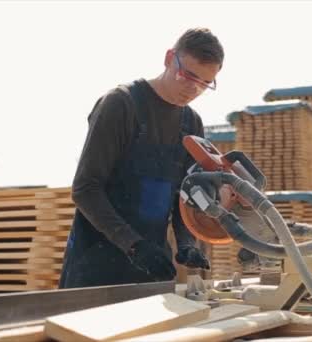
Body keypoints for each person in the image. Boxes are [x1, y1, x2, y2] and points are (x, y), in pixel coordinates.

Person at [59, 28, 224, 288]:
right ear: (170, 58)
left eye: (204, 83)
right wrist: (134, 246)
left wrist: (186, 243)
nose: (193, 89)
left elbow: (186, 195)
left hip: (152, 267)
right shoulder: (121, 105)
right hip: (95, 266)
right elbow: (85, 189)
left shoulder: (191, 123)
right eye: (188, 75)